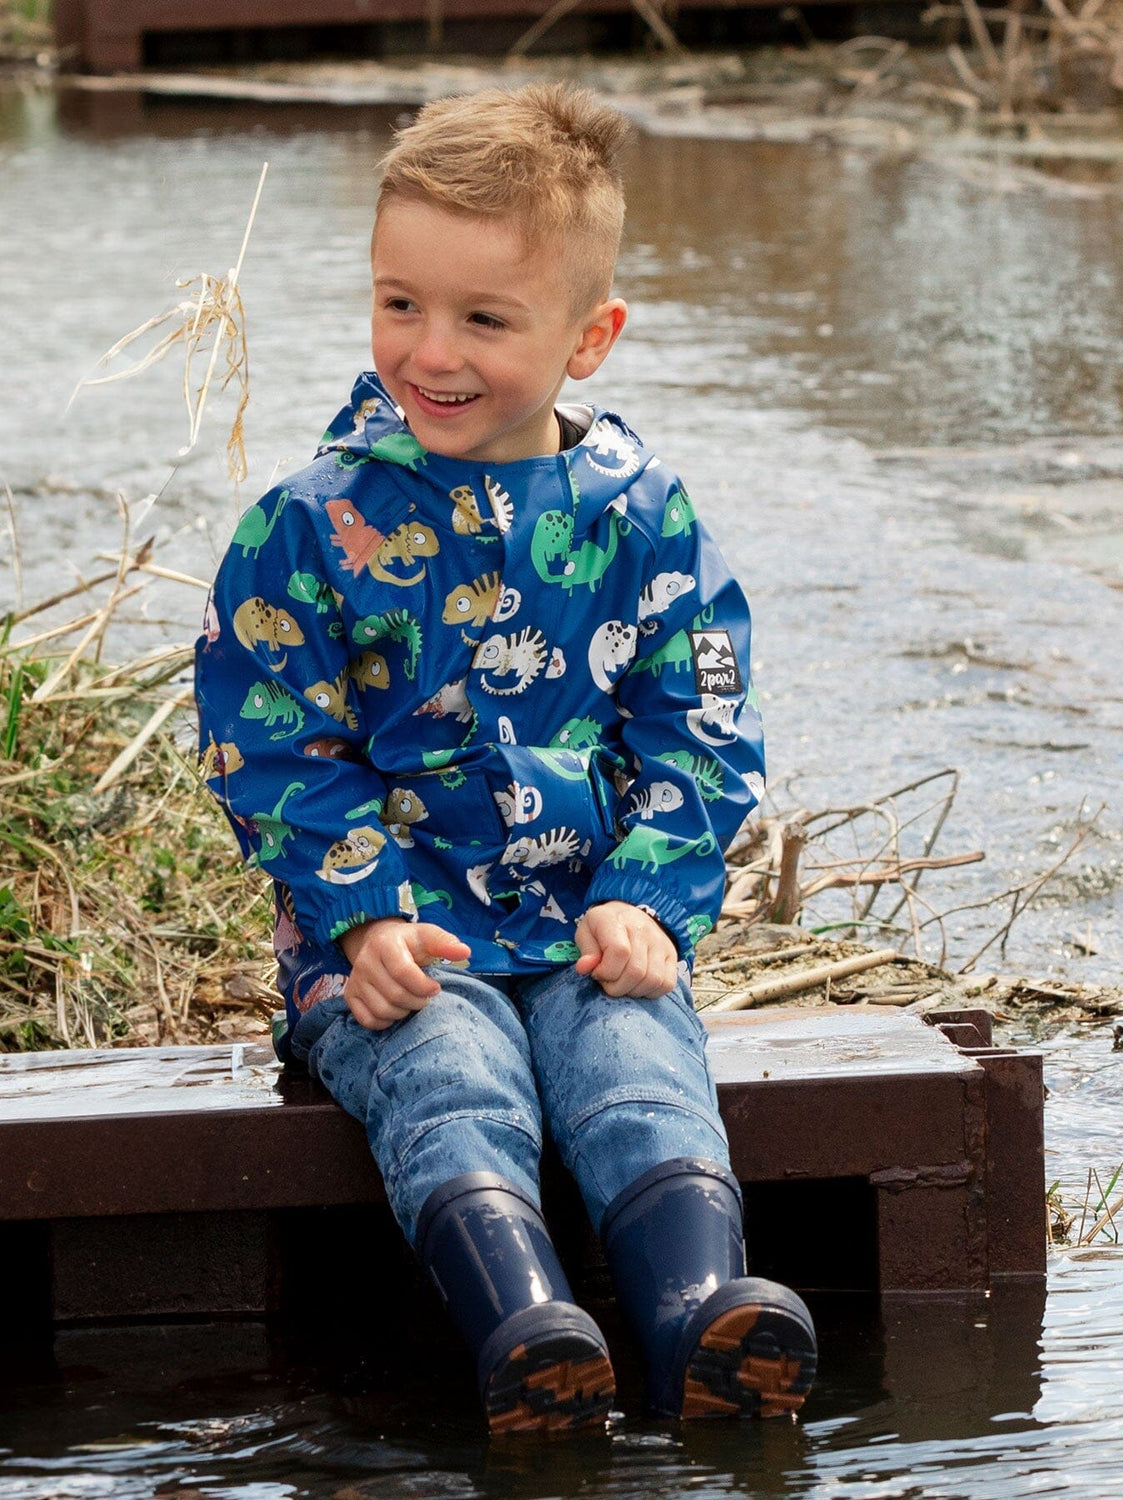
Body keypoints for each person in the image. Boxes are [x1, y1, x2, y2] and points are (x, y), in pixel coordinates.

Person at [194, 81, 817, 1436]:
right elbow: (267, 739)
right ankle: (529, 1336)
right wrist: (362, 920)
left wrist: (651, 899)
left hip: (592, 923)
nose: (432, 352)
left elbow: (699, 720)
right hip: (398, 945)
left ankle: (700, 1317)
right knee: (454, 1070)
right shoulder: (313, 526)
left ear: (590, 337)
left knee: (636, 1065)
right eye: (399, 303)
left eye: (485, 318)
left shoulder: (643, 522)